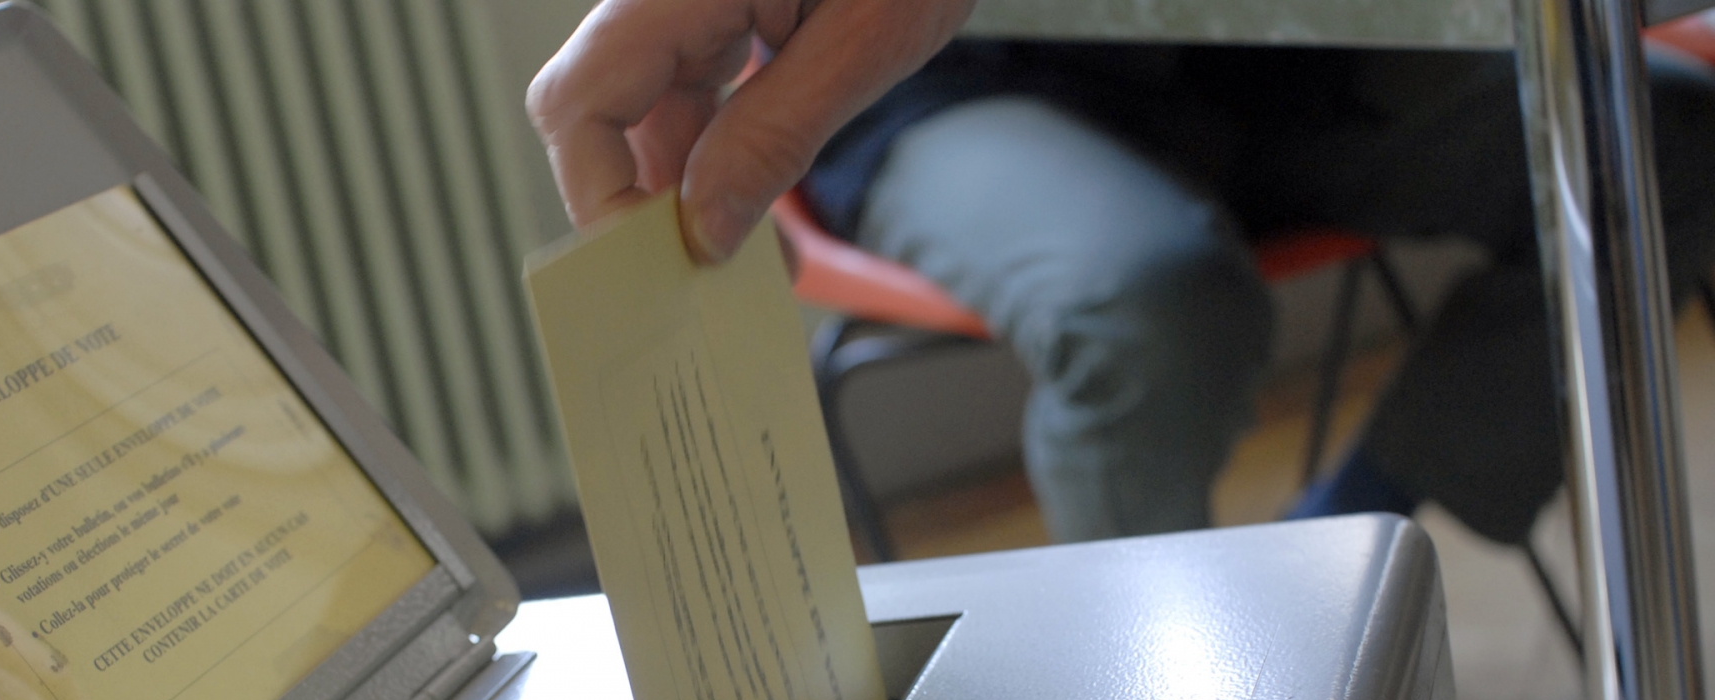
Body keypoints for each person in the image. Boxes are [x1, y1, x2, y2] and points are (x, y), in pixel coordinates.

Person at [529, 1, 1715, 550]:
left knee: (1661, 136)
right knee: (1146, 305)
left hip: (1296, 64)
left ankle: (1349, 540)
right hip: (970, 75)